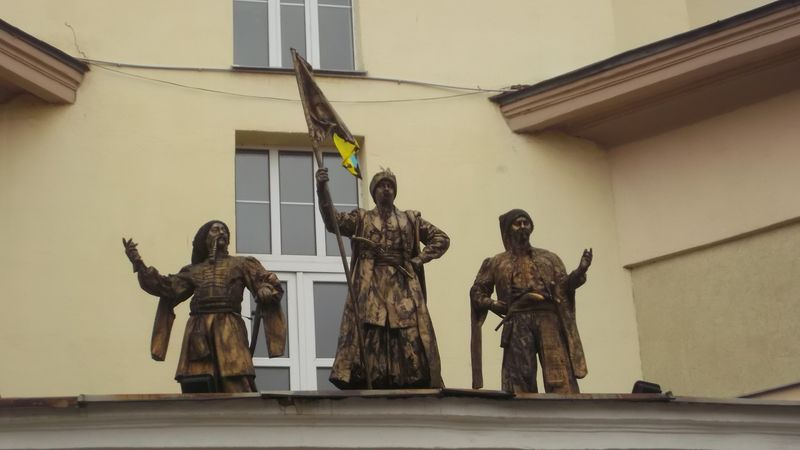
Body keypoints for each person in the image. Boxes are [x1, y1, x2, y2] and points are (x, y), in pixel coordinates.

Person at [316, 167, 450, 389]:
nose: (386, 189)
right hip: (371, 283)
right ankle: (370, 374)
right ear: (374, 192)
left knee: (407, 328)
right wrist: (322, 190)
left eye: (390, 185)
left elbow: (441, 238)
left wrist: (421, 259)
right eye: (381, 185)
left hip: (402, 284)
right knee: (372, 326)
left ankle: (408, 375)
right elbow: (334, 223)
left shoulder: (410, 219)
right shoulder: (362, 218)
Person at [122, 220, 285, 393]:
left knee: (236, 378)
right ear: (204, 239)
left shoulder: (241, 264)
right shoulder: (193, 270)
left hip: (229, 327)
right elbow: (167, 287)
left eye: (224, 230)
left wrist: (265, 289)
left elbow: (266, 280)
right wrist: (138, 264)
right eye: (215, 230)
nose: (221, 232)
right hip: (198, 329)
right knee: (197, 382)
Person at [470, 209, 592, 393]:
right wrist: (493, 304)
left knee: (559, 374)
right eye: (517, 223)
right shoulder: (497, 262)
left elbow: (563, 287)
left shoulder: (549, 258)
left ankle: (566, 410)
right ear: (508, 229)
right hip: (518, 320)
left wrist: (580, 271)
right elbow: (477, 292)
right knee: (519, 380)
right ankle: (519, 417)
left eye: (526, 223)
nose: (522, 227)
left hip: (548, 319)